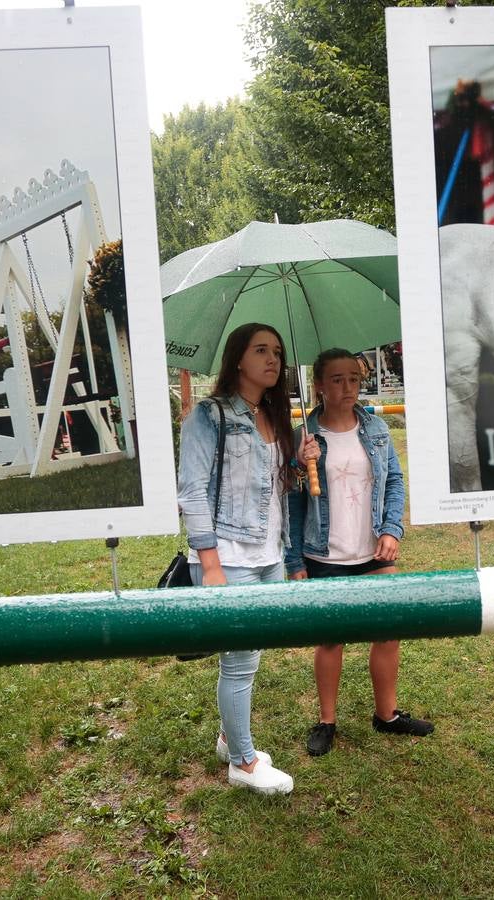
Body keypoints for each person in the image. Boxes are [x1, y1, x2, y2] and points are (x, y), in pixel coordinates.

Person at [175, 321, 319, 795]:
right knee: (239, 661)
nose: (273, 359)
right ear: (238, 358)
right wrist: (211, 565)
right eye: (261, 350)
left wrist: (299, 462)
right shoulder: (209, 416)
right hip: (227, 556)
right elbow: (192, 492)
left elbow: (275, 492)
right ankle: (243, 762)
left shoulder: (276, 420)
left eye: (277, 351)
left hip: (268, 552)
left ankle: (226, 737)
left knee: (250, 653)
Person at [287, 348, 433, 757]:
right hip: (325, 555)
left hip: (373, 551)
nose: (348, 386)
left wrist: (391, 529)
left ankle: (386, 715)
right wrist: (295, 560)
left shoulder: (376, 429)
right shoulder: (305, 439)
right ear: (318, 384)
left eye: (353, 378)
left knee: (387, 633)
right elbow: (291, 502)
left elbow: (395, 481)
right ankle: (327, 721)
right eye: (337, 379)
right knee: (331, 640)